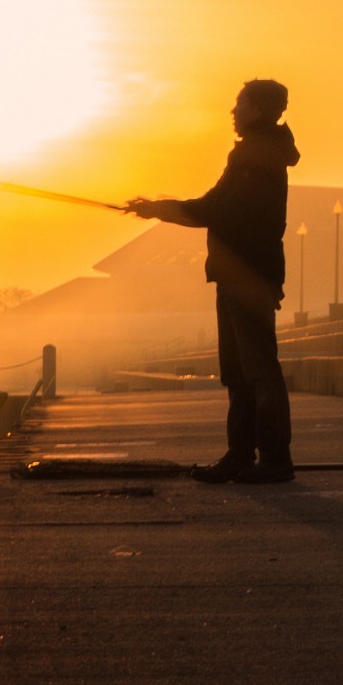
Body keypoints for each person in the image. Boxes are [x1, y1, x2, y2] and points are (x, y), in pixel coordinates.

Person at [126, 79, 301, 483]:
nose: (232, 110)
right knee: (239, 372)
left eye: (239, 102)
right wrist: (159, 208)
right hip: (240, 275)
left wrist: (158, 209)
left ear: (257, 109)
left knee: (257, 371)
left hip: (248, 278)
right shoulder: (260, 152)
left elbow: (213, 208)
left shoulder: (256, 154)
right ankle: (241, 456)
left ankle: (273, 460)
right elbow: (218, 207)